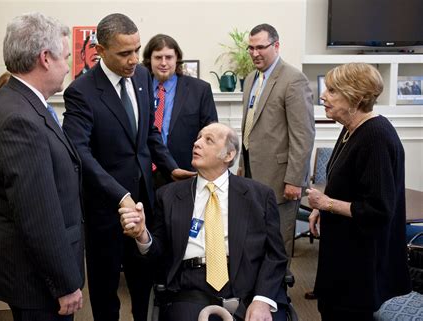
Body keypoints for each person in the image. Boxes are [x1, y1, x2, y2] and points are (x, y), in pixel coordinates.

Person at [62, 13, 194, 321]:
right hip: (105, 209)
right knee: (106, 290)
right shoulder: (81, 92)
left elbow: (149, 134)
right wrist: (119, 195)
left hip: (144, 204)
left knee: (143, 284)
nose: (135, 59)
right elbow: (79, 154)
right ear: (101, 51)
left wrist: (171, 168)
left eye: (136, 49)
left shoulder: (142, 78)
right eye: (125, 53)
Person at [119, 123, 289, 321]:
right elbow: (157, 253)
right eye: (198, 137)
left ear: (229, 155)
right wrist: (142, 234)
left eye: (208, 140)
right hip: (191, 287)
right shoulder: (169, 196)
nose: (197, 143)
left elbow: (276, 255)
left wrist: (262, 299)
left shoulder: (259, 195)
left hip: (249, 284)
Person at [0, 12, 84, 321]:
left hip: (36, 273)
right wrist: (64, 284)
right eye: (65, 58)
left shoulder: (20, 102)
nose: (68, 67)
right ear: (45, 58)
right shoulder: (19, 119)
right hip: (39, 281)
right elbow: (38, 215)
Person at [307, 63, 411, 321]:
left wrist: (326, 203)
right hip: (342, 256)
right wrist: (323, 209)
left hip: (359, 264)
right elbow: (346, 184)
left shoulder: (376, 136)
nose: (323, 96)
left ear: (355, 96)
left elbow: (378, 210)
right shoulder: (350, 128)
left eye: (332, 91)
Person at [237, 23, 315, 264]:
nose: (254, 53)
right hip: (252, 174)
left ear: (276, 45)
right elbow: (249, 126)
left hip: (282, 180)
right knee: (255, 239)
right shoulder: (251, 78)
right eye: (250, 48)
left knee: (278, 243)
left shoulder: (294, 80)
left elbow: (303, 134)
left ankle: (279, 296)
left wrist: (294, 179)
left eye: (261, 47)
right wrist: (242, 164)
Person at [142, 34, 218, 187]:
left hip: (185, 172)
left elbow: (212, 134)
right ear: (149, 60)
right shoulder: (138, 89)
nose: (164, 63)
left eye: (169, 57)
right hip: (143, 173)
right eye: (158, 57)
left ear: (177, 58)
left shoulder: (199, 90)